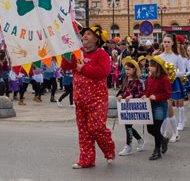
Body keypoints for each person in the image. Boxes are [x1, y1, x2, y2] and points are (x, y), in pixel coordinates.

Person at [61, 25, 115, 169]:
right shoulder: (77, 53)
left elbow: (103, 72)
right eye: (84, 34)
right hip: (80, 99)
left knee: (96, 127)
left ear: (97, 39)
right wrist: (67, 53)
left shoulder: (101, 54)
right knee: (84, 131)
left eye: (89, 34)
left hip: (97, 99)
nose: (84, 36)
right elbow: (65, 66)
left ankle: (109, 149)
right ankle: (86, 160)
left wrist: (83, 68)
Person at [142, 56, 171, 160]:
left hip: (159, 106)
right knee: (150, 129)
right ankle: (163, 140)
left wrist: (156, 97)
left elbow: (167, 94)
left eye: (151, 66)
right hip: (150, 105)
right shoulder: (149, 78)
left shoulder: (164, 79)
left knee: (156, 128)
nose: (149, 67)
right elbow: (147, 91)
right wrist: (145, 95)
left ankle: (157, 150)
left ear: (157, 67)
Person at [117, 57, 145, 156]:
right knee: (127, 126)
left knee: (128, 126)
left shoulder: (138, 81)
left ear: (134, 70)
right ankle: (139, 140)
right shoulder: (125, 80)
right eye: (125, 69)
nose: (127, 71)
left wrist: (132, 96)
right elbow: (122, 91)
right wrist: (120, 95)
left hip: (133, 107)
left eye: (129, 69)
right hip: (125, 107)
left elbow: (141, 93)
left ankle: (128, 146)